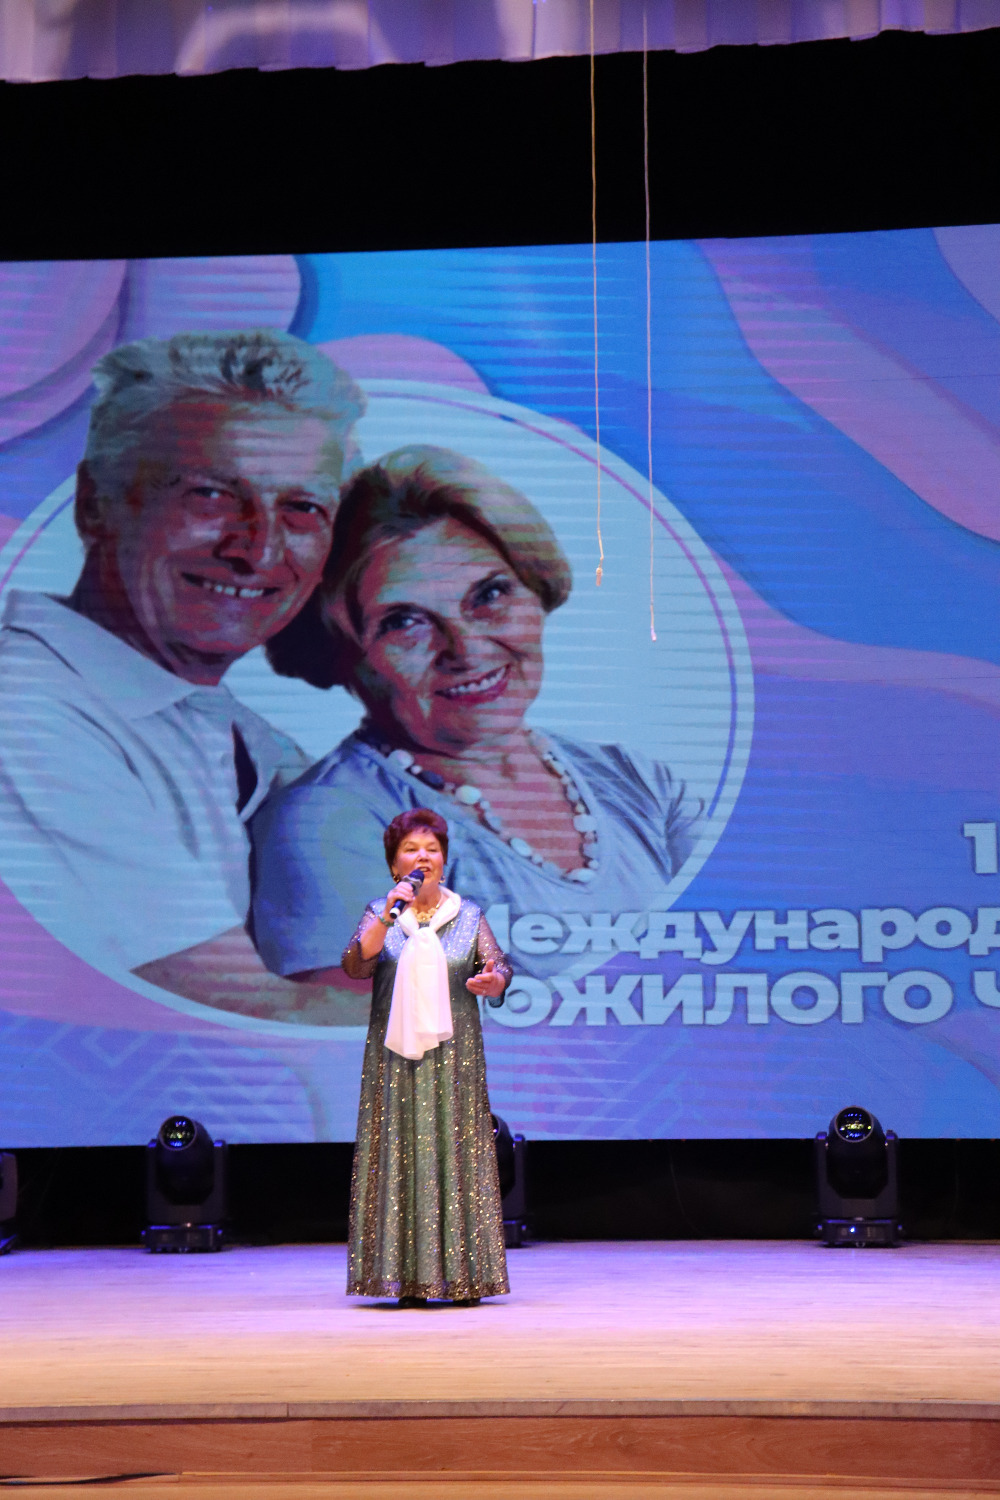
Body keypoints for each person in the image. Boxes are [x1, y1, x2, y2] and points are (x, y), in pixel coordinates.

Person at [0, 329, 367, 1022]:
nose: (258, 549)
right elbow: (252, 1015)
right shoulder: (23, 714)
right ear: (95, 504)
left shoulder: (252, 742)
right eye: (211, 495)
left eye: (302, 509)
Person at [251, 445, 700, 984]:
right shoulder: (329, 822)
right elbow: (349, 1028)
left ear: (536, 591)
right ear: (340, 656)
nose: (466, 650)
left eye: (490, 594)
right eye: (404, 622)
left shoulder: (638, 781)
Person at [340, 807, 511, 1305]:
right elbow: (355, 965)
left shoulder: (468, 915)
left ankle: (464, 1278)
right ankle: (403, 1280)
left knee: (456, 1154)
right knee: (400, 1154)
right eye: (411, 850)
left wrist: (495, 981)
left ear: (444, 860)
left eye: (432, 850)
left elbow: (498, 966)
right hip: (396, 1062)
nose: (423, 857)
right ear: (394, 864)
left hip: (454, 1061)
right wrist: (388, 913)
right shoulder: (382, 913)